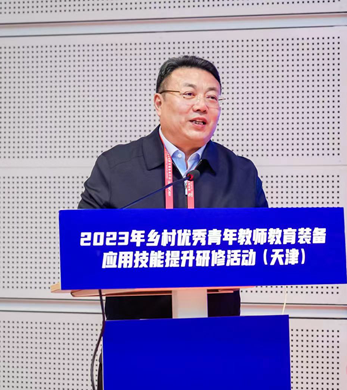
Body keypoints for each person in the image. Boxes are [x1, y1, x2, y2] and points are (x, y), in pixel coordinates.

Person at [79, 55, 268, 321]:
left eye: (212, 97)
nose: (201, 105)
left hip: (218, 335)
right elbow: (82, 249)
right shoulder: (115, 167)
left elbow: (264, 251)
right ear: (159, 103)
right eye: (189, 94)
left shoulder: (241, 173)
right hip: (137, 334)